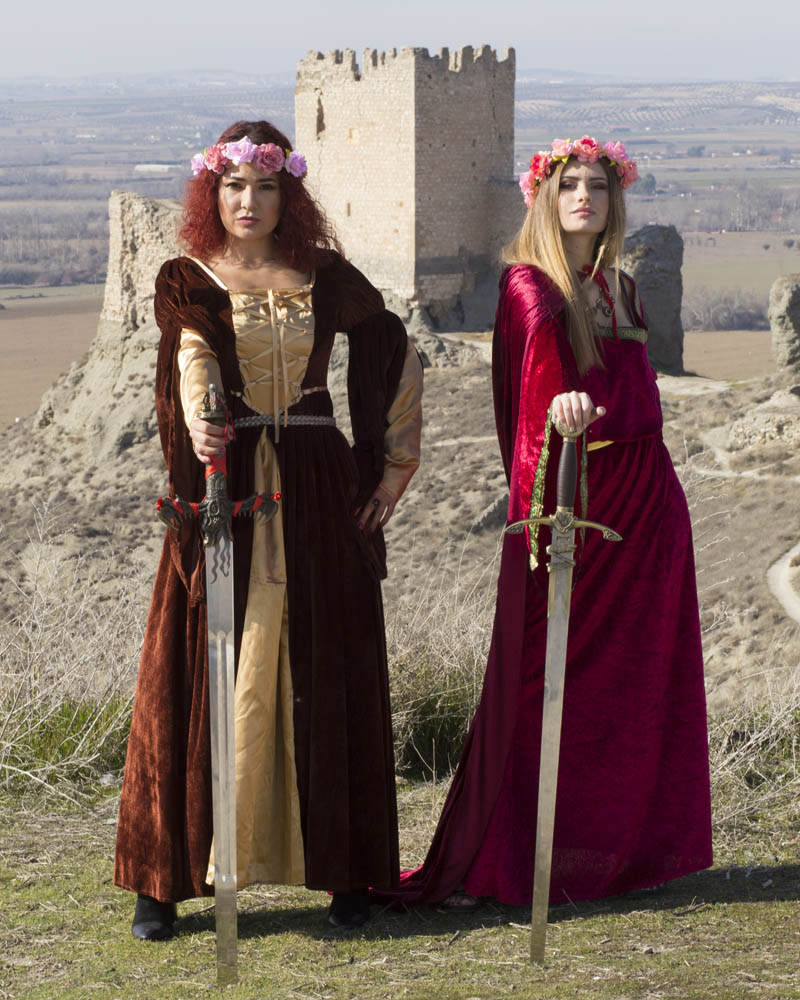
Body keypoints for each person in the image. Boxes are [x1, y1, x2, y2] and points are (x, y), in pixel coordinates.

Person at [374, 135, 712, 911]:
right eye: (570, 186)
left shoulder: (621, 290)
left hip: (647, 505)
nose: (584, 197)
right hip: (575, 502)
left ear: (614, 198)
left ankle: (618, 853)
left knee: (631, 683)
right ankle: (523, 861)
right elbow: (539, 402)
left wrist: (617, 412)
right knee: (550, 680)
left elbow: (644, 398)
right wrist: (563, 427)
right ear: (546, 198)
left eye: (597, 185)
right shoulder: (531, 285)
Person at [114, 120, 423, 936]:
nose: (248, 202)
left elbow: (392, 347)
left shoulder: (324, 276)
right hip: (228, 490)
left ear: (289, 196)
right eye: (234, 187)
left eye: (265, 187)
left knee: (331, 655)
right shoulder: (189, 276)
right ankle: (167, 879)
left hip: (319, 486)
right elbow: (192, 353)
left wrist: (390, 471)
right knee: (201, 661)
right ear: (212, 194)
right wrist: (203, 421)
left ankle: (346, 869)